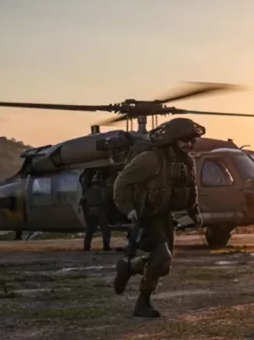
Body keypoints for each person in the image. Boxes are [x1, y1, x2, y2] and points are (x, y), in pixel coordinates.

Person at [111, 118, 205, 317]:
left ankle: (129, 267)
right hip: (147, 214)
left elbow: (191, 188)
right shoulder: (151, 159)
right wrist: (128, 209)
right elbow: (122, 182)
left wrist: (194, 212)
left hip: (164, 215)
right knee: (162, 257)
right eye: (185, 140)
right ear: (172, 140)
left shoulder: (186, 161)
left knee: (163, 266)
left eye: (192, 140)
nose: (189, 145)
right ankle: (142, 303)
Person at [81, 169, 112, 251]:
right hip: (99, 210)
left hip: (90, 211)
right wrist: (107, 209)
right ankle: (106, 245)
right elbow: (105, 199)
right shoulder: (101, 190)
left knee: (90, 229)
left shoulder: (88, 191)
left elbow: (82, 200)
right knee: (105, 228)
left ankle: (86, 246)